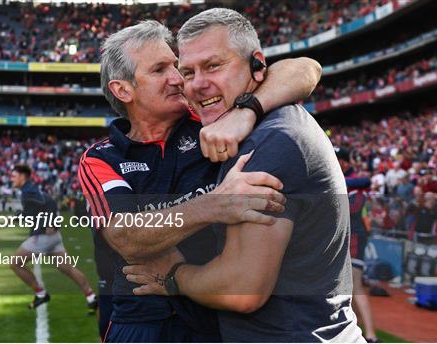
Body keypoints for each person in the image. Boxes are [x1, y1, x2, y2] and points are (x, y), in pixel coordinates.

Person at [125, 9, 363, 342]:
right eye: (188, 71)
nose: (197, 84)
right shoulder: (255, 124)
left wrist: (173, 276)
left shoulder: (268, 141)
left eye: (214, 65)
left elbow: (241, 290)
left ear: (257, 65)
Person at [79, 20, 321, 342]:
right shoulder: (101, 159)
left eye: (176, 67)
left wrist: (247, 110)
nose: (179, 79)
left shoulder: (213, 117)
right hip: (139, 322)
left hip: (212, 319)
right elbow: (126, 237)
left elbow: (306, 68)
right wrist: (216, 204)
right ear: (124, 90)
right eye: (160, 70)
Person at [9, 164, 97, 312]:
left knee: (15, 263)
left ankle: (41, 294)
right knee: (68, 269)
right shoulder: (32, 189)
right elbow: (48, 204)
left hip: (43, 237)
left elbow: (39, 209)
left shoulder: (28, 191)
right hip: (53, 236)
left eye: (14, 176)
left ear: (23, 177)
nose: (11, 178)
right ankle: (91, 297)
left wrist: (21, 217)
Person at [336, 148, 379, 343]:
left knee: (355, 284)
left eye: (340, 160)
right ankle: (358, 330)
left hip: (355, 237)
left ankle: (371, 336)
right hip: (342, 237)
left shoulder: (356, 182)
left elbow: (353, 208)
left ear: (346, 162)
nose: (337, 163)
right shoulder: (345, 180)